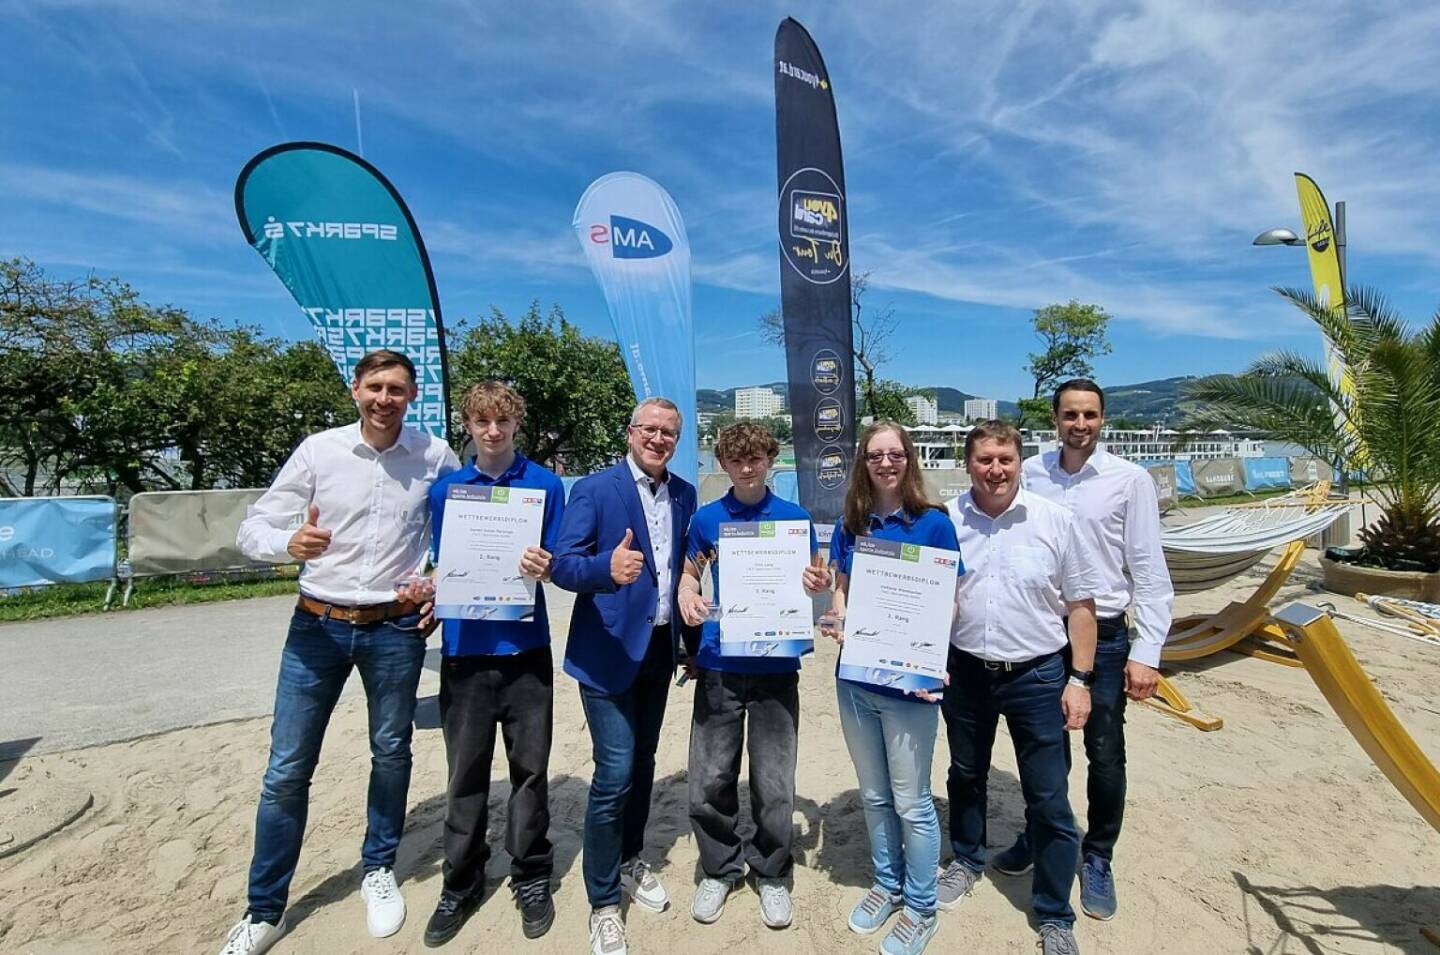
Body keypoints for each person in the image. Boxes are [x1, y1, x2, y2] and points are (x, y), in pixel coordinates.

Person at [219, 349, 459, 955]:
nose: (385, 399)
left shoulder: (434, 455)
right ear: (355, 390)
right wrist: (289, 541)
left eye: (398, 390)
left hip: (397, 629)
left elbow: (461, 535)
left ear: (412, 396)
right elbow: (253, 530)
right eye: (375, 387)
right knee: (287, 768)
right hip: (316, 625)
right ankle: (265, 907)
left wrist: (437, 582)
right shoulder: (319, 450)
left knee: (391, 750)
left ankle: (378, 868)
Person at [987, 380, 1173, 921]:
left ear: (1103, 419)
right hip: (1046, 635)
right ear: (1055, 418)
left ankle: (1097, 856)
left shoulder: (1129, 481)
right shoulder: (1033, 472)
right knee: (1044, 751)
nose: (1080, 424)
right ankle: (1040, 834)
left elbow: (1150, 571)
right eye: (1070, 414)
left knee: (1105, 751)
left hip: (1109, 637)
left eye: (1090, 414)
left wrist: (1149, 651)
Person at [936, 420, 1101, 955]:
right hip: (965, 671)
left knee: (1050, 797)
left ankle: (1054, 914)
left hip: (1037, 675)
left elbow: (1081, 608)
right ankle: (965, 859)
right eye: (984, 459)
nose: (995, 470)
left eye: (1005, 459)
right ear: (968, 464)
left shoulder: (1056, 520)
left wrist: (1079, 680)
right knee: (965, 774)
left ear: (1019, 462)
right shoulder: (946, 521)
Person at [550, 397, 699, 955]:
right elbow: (563, 564)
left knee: (642, 763)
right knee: (613, 773)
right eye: (650, 429)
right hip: (607, 652)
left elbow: (688, 565)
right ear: (631, 432)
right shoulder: (593, 488)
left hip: (660, 651)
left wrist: (692, 637)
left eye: (668, 432)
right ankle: (604, 903)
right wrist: (605, 571)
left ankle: (632, 858)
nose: (658, 439)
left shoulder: (684, 493)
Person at [421, 381, 566, 946]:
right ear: (469, 426)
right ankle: (461, 879)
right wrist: (430, 591)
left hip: (526, 650)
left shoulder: (545, 485)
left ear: (516, 425)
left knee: (530, 771)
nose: (493, 431)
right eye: (482, 422)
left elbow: (558, 562)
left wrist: (545, 562)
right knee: (466, 773)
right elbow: (440, 564)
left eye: (503, 422)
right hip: (463, 651)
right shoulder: (447, 491)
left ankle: (531, 872)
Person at [675, 421, 831, 929]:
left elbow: (811, 582)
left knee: (774, 780)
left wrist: (817, 583)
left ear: (771, 460)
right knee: (710, 778)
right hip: (721, 663)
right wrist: (689, 599)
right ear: (723, 465)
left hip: (776, 667)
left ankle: (771, 871)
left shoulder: (795, 519)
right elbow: (690, 574)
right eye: (737, 459)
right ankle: (718, 869)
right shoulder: (706, 519)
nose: (747, 467)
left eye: (757, 458)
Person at [819, 421, 962, 955]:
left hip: (910, 688)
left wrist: (931, 662)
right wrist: (837, 618)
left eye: (894, 453)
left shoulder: (934, 524)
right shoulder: (849, 523)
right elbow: (841, 593)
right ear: (863, 461)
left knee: (912, 801)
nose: (885, 462)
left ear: (909, 459)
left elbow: (948, 602)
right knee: (875, 796)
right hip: (855, 681)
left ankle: (921, 907)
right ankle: (888, 884)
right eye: (875, 454)